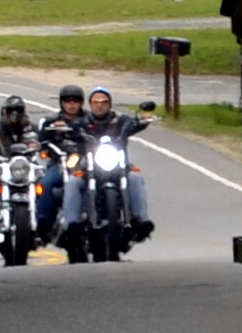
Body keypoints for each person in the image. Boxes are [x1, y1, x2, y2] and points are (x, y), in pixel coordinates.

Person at [61, 86, 155, 244]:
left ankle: (140, 220)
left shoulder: (121, 121)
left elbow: (134, 123)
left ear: (110, 104)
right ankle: (71, 224)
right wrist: (64, 128)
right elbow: (71, 131)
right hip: (89, 164)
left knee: (135, 178)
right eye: (96, 102)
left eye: (104, 102)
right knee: (73, 182)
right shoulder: (82, 122)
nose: (100, 105)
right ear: (90, 104)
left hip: (117, 163)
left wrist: (143, 120)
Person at [34, 85, 88, 241]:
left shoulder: (88, 120)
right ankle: (43, 222)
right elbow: (41, 141)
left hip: (85, 162)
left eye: (76, 101)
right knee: (46, 183)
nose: (72, 104)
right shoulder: (51, 121)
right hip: (60, 162)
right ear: (61, 103)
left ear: (81, 103)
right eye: (67, 101)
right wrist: (51, 131)